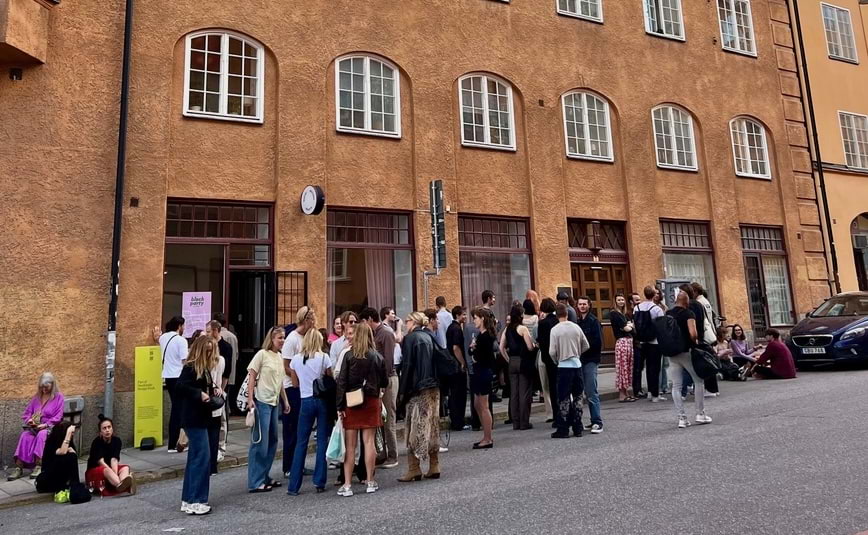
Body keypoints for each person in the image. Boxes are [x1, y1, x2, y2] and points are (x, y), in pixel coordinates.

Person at [336, 322, 388, 497]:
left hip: (352, 402)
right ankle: (370, 481)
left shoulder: (349, 355)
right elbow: (384, 381)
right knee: (369, 443)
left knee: (350, 446)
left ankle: (348, 484)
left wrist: (339, 406)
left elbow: (341, 381)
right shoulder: (376, 356)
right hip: (371, 401)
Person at [177, 336, 222, 514]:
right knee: (202, 457)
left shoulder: (202, 368)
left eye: (212, 349)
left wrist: (213, 391)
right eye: (208, 350)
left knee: (195, 459)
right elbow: (180, 387)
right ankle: (197, 499)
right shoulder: (191, 367)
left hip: (199, 417)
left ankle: (188, 500)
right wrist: (199, 394)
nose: (210, 353)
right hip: (194, 418)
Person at [287, 329, 334, 495]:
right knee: (322, 441)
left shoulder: (296, 360)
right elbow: (330, 378)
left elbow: (294, 383)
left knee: (301, 442)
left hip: (305, 400)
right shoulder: (324, 358)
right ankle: (319, 481)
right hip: (321, 401)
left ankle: (294, 485)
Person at [397, 311, 443, 482]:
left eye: (407, 320)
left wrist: (402, 392)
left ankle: (414, 468)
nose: (405, 323)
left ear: (413, 322)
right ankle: (434, 464)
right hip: (433, 386)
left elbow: (408, 366)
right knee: (432, 425)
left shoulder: (410, 339)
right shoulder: (429, 336)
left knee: (414, 427)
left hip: (417, 389)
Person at [246, 326, 291, 494]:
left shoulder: (279, 357)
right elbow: (252, 376)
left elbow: (279, 382)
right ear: (271, 339)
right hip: (262, 401)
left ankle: (264, 475)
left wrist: (285, 401)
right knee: (260, 442)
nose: (282, 340)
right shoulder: (262, 355)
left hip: (273, 402)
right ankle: (255, 481)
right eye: (280, 337)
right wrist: (251, 399)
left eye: (283, 337)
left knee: (272, 441)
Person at [358, 307, 399, 469]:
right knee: (381, 418)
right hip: (380, 381)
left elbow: (388, 361)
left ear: (369, 319)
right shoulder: (376, 334)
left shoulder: (386, 333)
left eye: (363, 321)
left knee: (389, 417)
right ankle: (382, 453)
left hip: (388, 379)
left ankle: (393, 455)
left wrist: (383, 384)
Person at [666, 289, 712, 429]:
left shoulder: (668, 313)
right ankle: (700, 413)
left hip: (672, 352)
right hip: (686, 351)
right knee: (698, 380)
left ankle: (682, 418)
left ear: (675, 301)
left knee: (676, 386)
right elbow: (693, 333)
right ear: (687, 301)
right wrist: (695, 342)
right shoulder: (688, 313)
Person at [8, 372, 64, 481]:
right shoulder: (36, 398)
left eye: (46, 387)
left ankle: (39, 465)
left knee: (42, 435)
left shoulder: (59, 397)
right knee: (25, 435)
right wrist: (29, 420)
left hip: (50, 427)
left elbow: (59, 416)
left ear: (52, 385)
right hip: (35, 427)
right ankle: (19, 467)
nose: (44, 390)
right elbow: (27, 412)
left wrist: (46, 424)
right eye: (42, 387)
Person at [281, 306, 315, 479]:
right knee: (292, 428)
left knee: (302, 429)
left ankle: (299, 465)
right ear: (305, 320)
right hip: (292, 387)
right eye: (312, 319)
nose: (314, 322)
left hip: (304, 387)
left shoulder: (308, 337)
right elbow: (285, 365)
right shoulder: (292, 339)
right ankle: (289, 466)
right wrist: (300, 377)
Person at [548, 303, 590, 438]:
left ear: (556, 315)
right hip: (576, 365)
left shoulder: (555, 330)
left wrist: (557, 360)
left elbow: (552, 351)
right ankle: (578, 427)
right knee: (578, 397)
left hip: (563, 366)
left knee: (564, 398)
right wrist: (577, 353)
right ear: (567, 314)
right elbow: (586, 345)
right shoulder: (576, 327)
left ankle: (563, 428)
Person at [500, 304, 536, 430]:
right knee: (524, 392)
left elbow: (501, 347)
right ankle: (524, 422)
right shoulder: (523, 329)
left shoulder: (507, 329)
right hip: (523, 361)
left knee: (514, 393)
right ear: (521, 315)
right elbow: (529, 347)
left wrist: (508, 359)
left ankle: (515, 422)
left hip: (512, 362)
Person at [86, 414, 135, 495]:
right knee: (107, 470)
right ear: (100, 432)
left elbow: (114, 459)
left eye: (109, 427)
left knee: (125, 468)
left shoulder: (117, 441)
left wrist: (114, 473)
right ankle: (125, 486)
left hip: (110, 469)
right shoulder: (96, 442)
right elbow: (100, 462)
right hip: (95, 470)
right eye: (104, 428)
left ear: (112, 429)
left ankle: (121, 484)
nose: (107, 430)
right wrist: (112, 473)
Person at [470, 307, 497, 449]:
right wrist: (473, 350)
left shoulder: (485, 336)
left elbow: (482, 356)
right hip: (479, 371)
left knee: (484, 405)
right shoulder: (480, 336)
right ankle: (486, 435)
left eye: (475, 318)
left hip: (483, 371)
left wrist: (474, 352)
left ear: (482, 319)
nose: (474, 320)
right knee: (477, 404)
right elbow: (472, 351)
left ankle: (488, 438)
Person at [160, 316, 188, 453]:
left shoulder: (163, 338)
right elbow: (184, 361)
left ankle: (175, 442)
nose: (184, 328)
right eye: (183, 326)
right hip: (179, 376)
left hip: (168, 376)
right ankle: (176, 442)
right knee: (179, 410)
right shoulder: (180, 340)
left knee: (176, 408)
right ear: (179, 326)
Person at [634, 286, 666, 402]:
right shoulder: (657, 309)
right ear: (654, 295)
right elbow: (662, 327)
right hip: (655, 341)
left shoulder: (637, 307)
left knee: (647, 368)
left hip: (642, 341)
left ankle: (649, 392)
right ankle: (655, 395)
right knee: (655, 368)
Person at [576, 296, 604, 434]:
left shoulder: (593, 321)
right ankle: (590, 421)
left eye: (584, 304)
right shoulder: (577, 321)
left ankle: (597, 421)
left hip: (590, 360)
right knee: (581, 392)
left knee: (591, 391)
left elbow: (598, 342)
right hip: (579, 360)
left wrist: (584, 348)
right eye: (580, 304)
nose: (582, 306)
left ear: (589, 305)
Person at [205, 320, 230, 467]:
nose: (207, 334)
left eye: (208, 331)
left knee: (219, 424)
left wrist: (221, 389)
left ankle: (219, 451)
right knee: (213, 426)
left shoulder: (223, 353)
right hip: (212, 394)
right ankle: (211, 457)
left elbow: (225, 374)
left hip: (216, 394)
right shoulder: (206, 358)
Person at [34, 421, 80, 497]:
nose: (73, 434)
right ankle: (74, 485)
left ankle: (75, 485)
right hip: (48, 480)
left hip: (59, 477)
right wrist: (68, 434)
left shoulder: (68, 443)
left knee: (72, 456)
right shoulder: (52, 443)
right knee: (70, 456)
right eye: (71, 432)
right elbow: (62, 452)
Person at [445, 306, 469, 431]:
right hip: (457, 366)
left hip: (451, 365)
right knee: (459, 395)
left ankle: (456, 421)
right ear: (457, 315)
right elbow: (455, 348)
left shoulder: (450, 327)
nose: (465, 317)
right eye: (463, 314)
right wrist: (463, 362)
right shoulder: (457, 329)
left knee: (454, 394)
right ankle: (458, 421)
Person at [536, 298, 559, 424]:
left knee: (552, 387)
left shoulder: (543, 323)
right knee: (560, 386)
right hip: (560, 357)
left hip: (548, 358)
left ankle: (556, 415)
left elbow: (541, 342)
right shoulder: (557, 321)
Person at [610, 294, 637, 402]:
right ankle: (622, 394)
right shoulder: (615, 314)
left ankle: (625, 393)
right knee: (622, 368)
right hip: (622, 342)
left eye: (622, 299)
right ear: (615, 302)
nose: (621, 301)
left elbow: (630, 327)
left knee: (627, 368)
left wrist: (630, 326)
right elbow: (626, 328)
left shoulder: (623, 314)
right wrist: (630, 326)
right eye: (618, 300)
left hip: (628, 342)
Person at [214, 313, 241, 416]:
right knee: (227, 394)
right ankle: (227, 412)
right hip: (231, 369)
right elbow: (237, 354)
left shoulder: (219, 337)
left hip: (220, 372)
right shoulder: (233, 336)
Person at [628, 292, 646, 398]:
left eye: (639, 299)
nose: (639, 302)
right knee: (637, 367)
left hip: (640, 342)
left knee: (640, 367)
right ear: (631, 301)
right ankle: (636, 389)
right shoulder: (630, 313)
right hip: (634, 343)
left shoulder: (639, 311)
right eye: (637, 300)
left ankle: (639, 388)